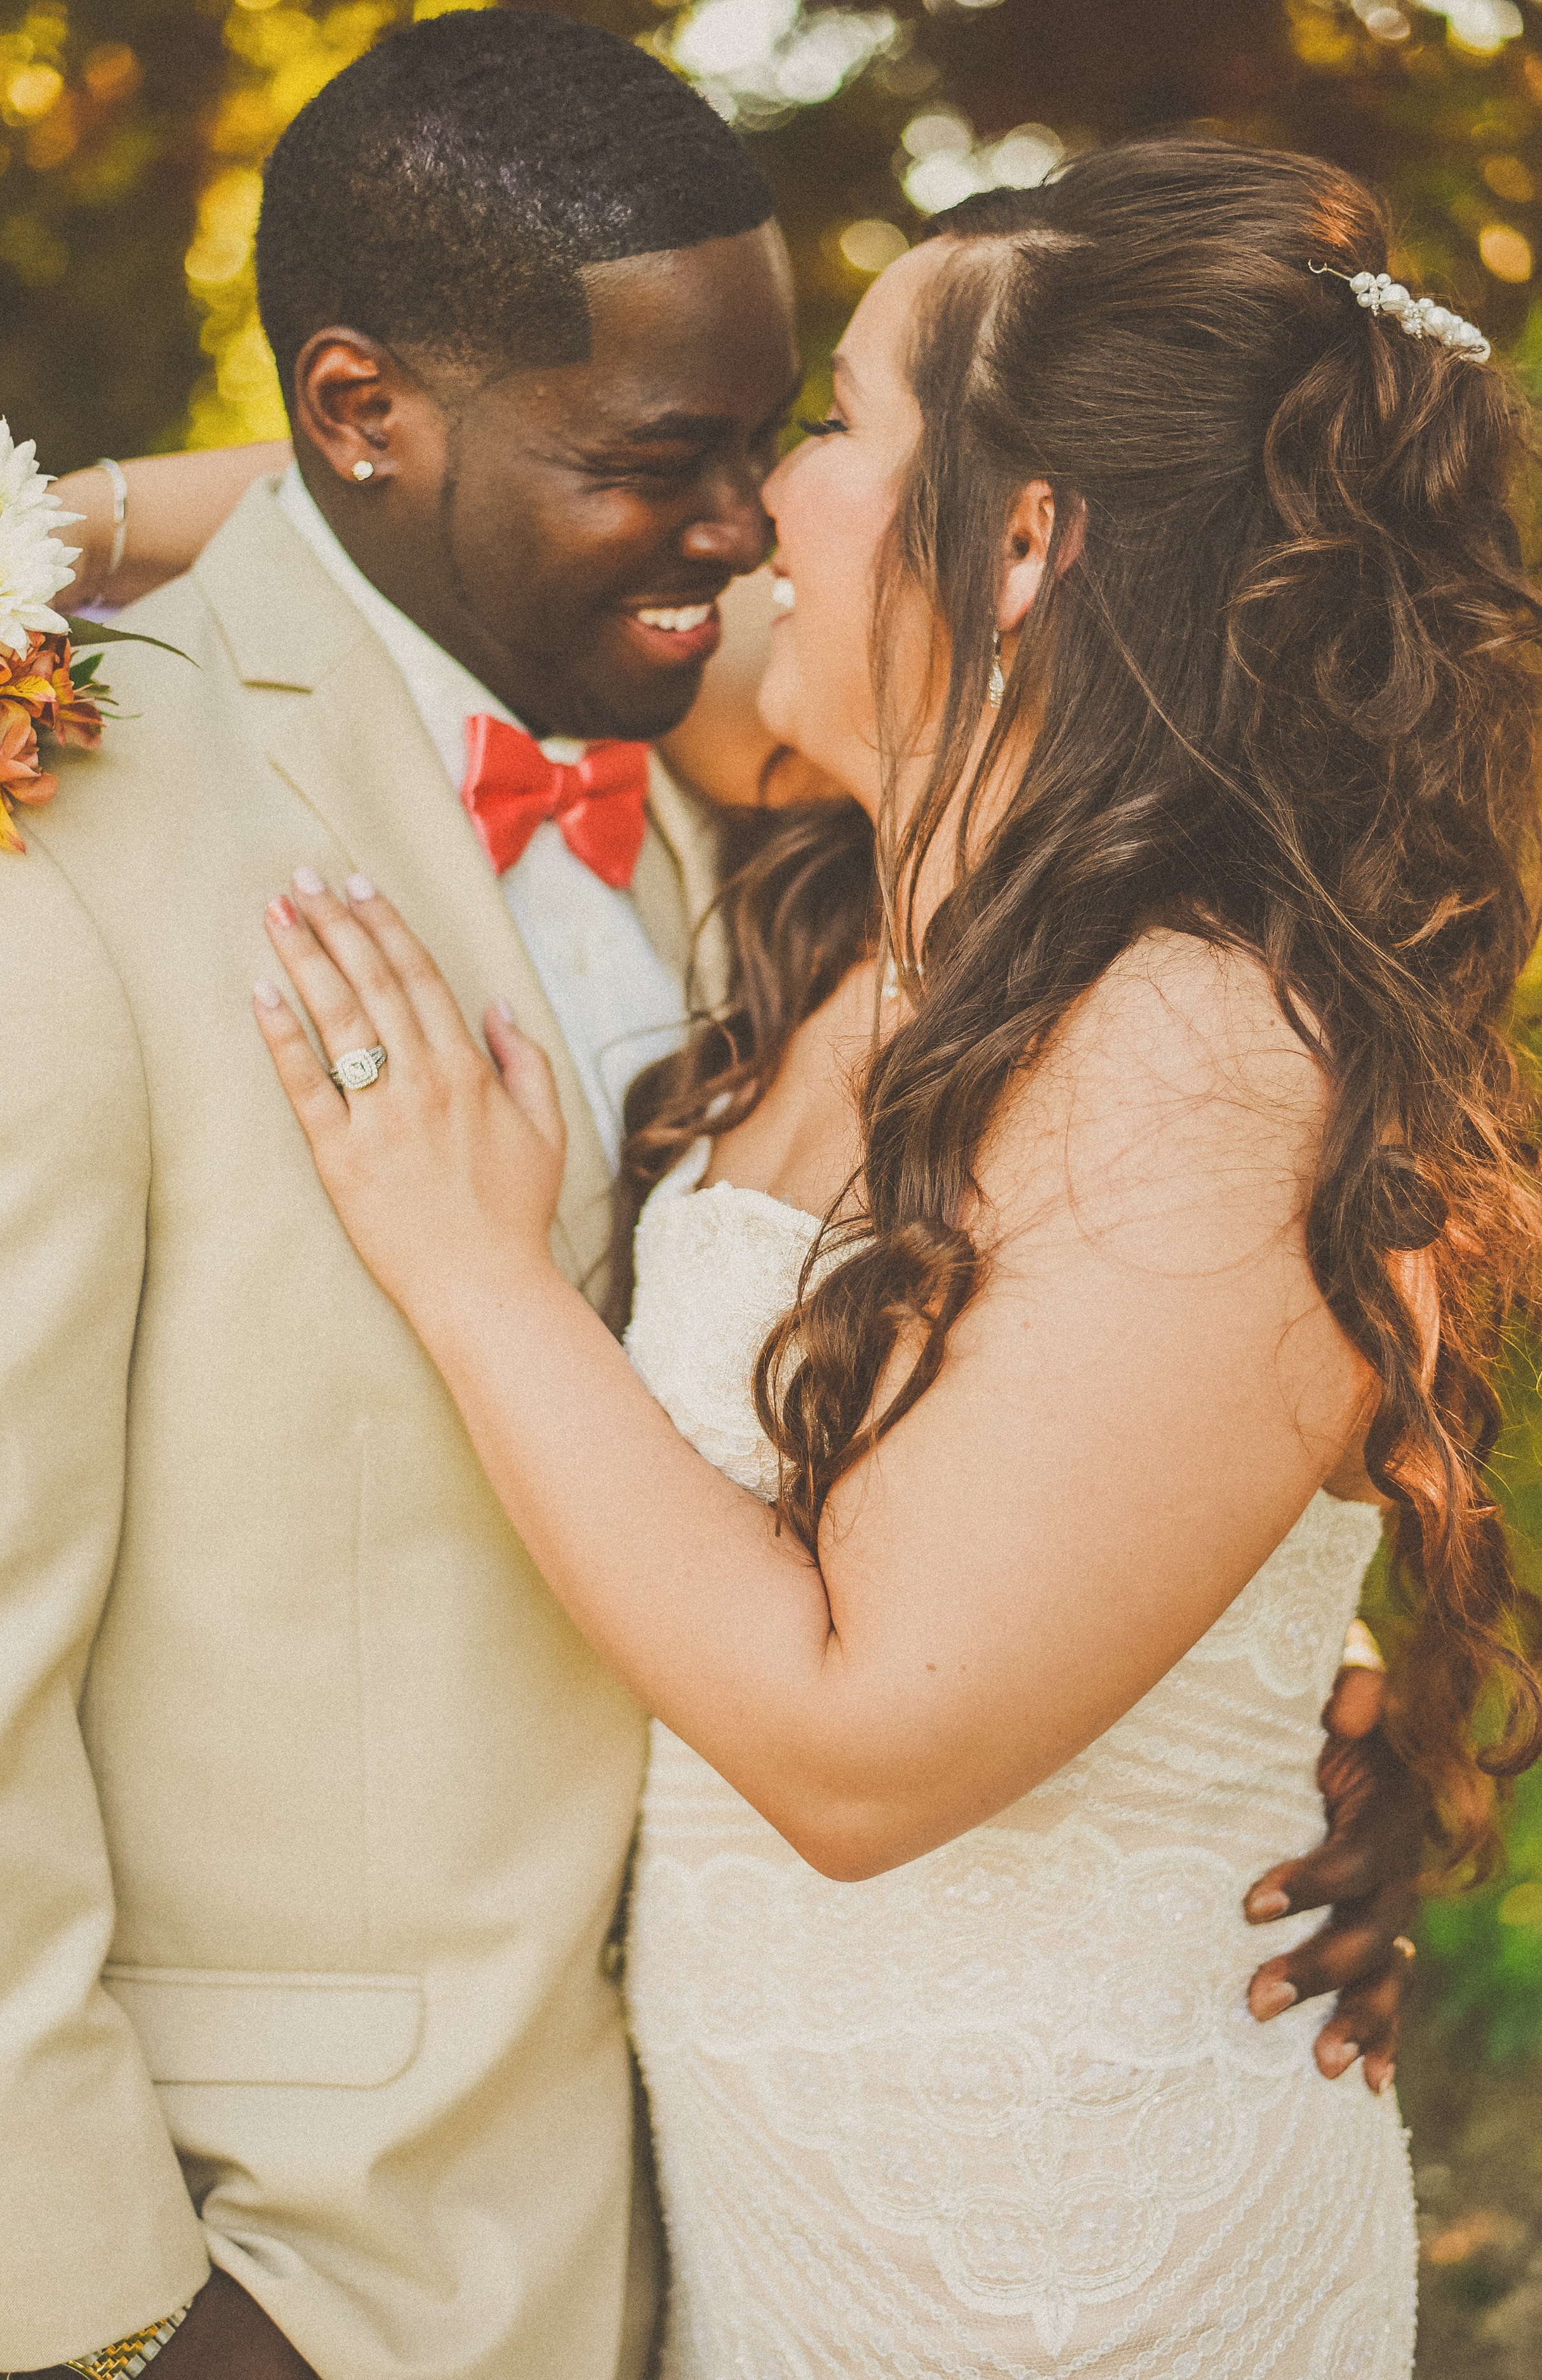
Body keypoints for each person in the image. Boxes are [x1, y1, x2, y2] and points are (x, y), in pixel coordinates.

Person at [0, 11, 1418, 2376]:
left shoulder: (799, 807)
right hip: (313, 2268)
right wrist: (80, 2310)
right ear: (366, 418)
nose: (747, 525)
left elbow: (982, 1482)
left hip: (845, 2222)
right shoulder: (55, 834)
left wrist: (1245, 1742)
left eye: (798, 438)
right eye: (683, 454)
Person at [250, 138, 1542, 2377]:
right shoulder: (882, 855)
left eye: (835, 423)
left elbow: (867, 1749)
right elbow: (419, 506)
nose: (750, 501)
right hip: (776, 2226)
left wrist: (471, 1271)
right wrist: (23, 559)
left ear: (1023, 539)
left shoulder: (1206, 1049)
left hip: (1055, 2259)